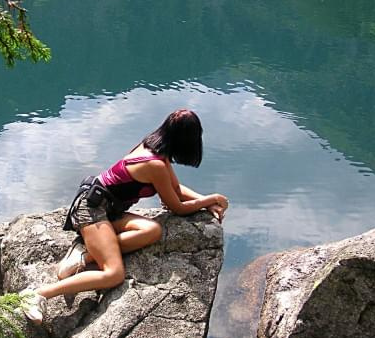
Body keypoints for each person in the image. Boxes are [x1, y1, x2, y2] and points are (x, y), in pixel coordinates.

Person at [19, 109, 229, 323]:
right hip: (91, 210)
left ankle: (85, 256)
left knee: (152, 230)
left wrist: (208, 201)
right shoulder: (154, 163)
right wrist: (211, 198)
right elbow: (177, 207)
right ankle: (38, 294)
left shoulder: (155, 150)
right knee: (113, 274)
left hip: (109, 210)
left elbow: (174, 188)